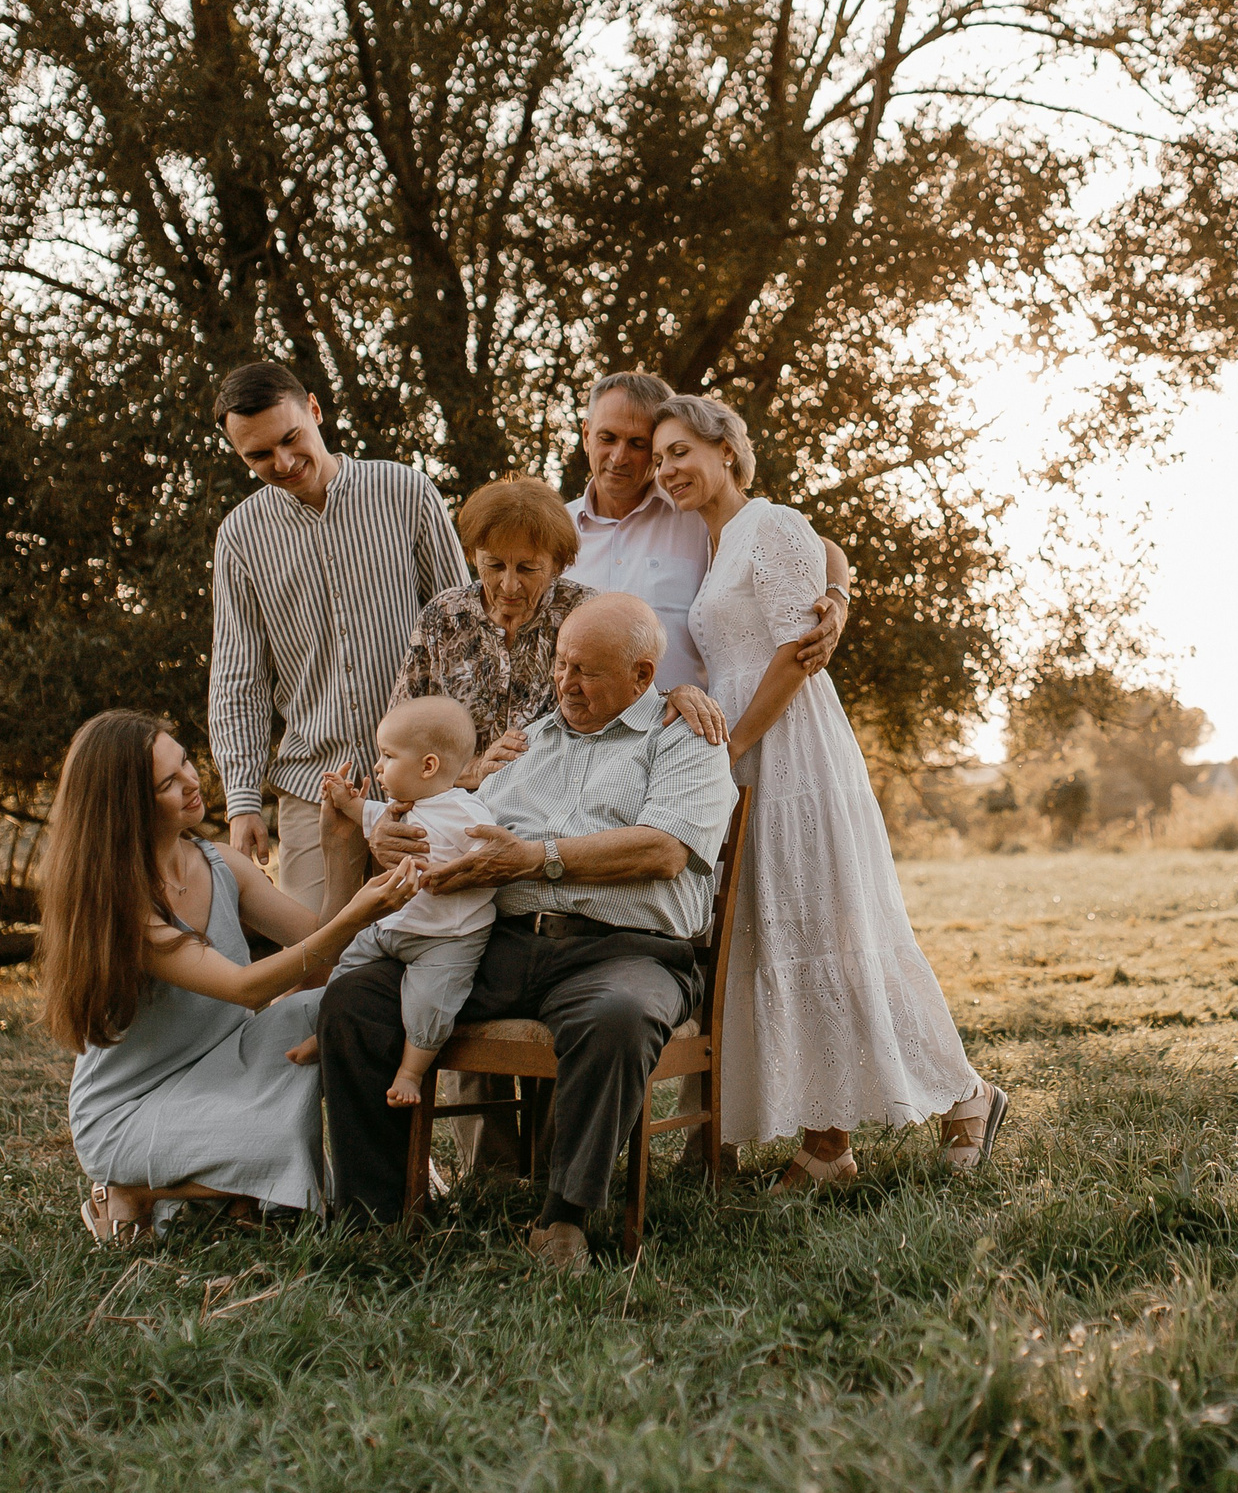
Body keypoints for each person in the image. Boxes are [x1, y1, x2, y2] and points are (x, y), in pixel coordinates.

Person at [651, 394, 1006, 1186]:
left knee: (836, 932)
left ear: (727, 452)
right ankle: (828, 1141)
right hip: (752, 758)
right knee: (786, 936)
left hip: (793, 754)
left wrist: (737, 742)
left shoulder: (769, 522)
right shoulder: (719, 546)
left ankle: (969, 1096)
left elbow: (795, 651)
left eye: (680, 451)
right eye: (658, 459)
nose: (666, 468)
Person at [327, 594, 737, 1273]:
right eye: (560, 665)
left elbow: (664, 849)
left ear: (642, 675)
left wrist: (538, 858)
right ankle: (375, 1217)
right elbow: (467, 825)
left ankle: (563, 1221)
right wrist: (400, 833)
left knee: (617, 1015)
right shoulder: (533, 740)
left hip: (624, 951)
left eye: (587, 672)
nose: (566, 683)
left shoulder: (685, 736)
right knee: (358, 998)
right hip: (503, 943)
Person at [41, 709, 420, 1245]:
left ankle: (231, 1186)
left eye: (187, 763)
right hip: (129, 1110)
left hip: (224, 1064)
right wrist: (359, 913)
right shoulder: (122, 906)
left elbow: (317, 942)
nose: (193, 782)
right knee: (277, 1142)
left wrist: (339, 851)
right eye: (168, 782)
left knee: (322, 1009)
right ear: (128, 808)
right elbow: (247, 988)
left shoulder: (219, 863)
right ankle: (132, 1187)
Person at [209, 360, 468, 911]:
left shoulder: (404, 491)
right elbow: (239, 676)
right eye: (257, 455)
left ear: (315, 411)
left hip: (427, 785)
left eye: (290, 438)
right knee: (316, 966)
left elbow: (463, 633)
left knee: (429, 948)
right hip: (314, 786)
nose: (281, 462)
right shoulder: (239, 537)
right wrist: (242, 800)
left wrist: (468, 762)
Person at [389, 473, 725, 787]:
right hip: (451, 805)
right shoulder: (444, 616)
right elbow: (400, 736)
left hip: (550, 808)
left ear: (558, 564)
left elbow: (628, 697)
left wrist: (678, 694)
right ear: (472, 555)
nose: (508, 584)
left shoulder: (584, 613)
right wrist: (473, 769)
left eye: (527, 567)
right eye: (493, 565)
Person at [563, 372, 850, 690]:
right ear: (587, 433)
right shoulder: (556, 532)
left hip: (681, 732)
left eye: (637, 444)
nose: (619, 457)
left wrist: (836, 603)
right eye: (607, 438)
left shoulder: (695, 512)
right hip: (580, 734)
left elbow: (815, 546)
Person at [279, 697, 498, 1108]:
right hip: (393, 928)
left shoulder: (464, 811)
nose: (377, 767)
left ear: (428, 766)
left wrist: (456, 873)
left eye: (387, 756)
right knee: (344, 969)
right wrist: (345, 800)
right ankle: (322, 1033)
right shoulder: (400, 810)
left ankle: (410, 1072)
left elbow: (489, 856)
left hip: (447, 937)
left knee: (430, 1002)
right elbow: (368, 812)